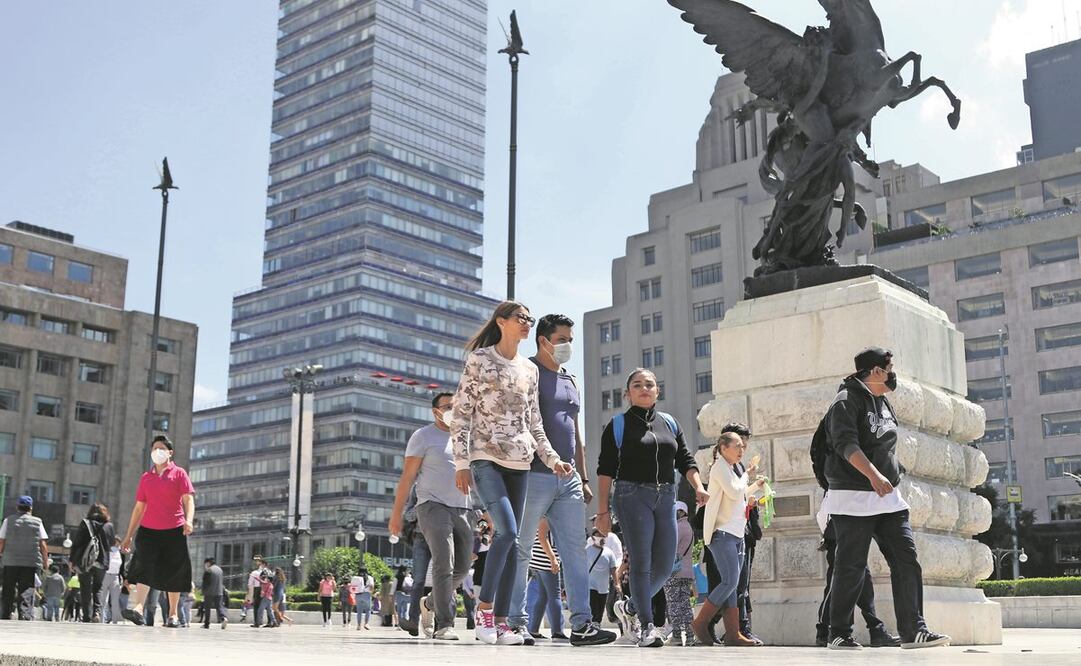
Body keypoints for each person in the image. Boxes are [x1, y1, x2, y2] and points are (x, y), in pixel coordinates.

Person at [449, 301, 575, 646]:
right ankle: (485, 610)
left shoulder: (528, 369)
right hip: (485, 457)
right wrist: (462, 463)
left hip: (520, 462)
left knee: (516, 539)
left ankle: (502, 623)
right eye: (520, 318)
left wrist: (551, 459)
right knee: (505, 532)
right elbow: (460, 414)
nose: (526, 323)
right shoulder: (480, 359)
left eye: (528, 320)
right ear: (501, 321)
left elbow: (534, 422)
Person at [819, 348, 950, 650]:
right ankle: (838, 633)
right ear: (876, 371)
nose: (894, 374)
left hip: (887, 498)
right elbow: (845, 444)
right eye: (890, 368)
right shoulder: (846, 400)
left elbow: (885, 444)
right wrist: (873, 475)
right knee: (850, 567)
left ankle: (914, 630)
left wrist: (892, 473)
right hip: (853, 496)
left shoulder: (883, 402)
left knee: (907, 560)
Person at [507, 314, 617, 647]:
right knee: (521, 548)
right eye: (562, 339)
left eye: (571, 339)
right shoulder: (526, 373)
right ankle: (515, 623)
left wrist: (583, 477)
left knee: (574, 553)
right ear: (543, 340)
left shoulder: (571, 379)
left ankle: (582, 625)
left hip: (568, 479)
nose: (568, 345)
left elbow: (576, 433)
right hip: (533, 475)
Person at [596, 368, 708, 648]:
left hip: (666, 496)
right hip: (631, 494)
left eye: (649, 385)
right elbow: (606, 470)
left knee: (667, 562)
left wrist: (698, 486)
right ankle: (647, 627)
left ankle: (631, 607)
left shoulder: (669, 423)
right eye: (637, 385)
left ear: (657, 391)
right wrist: (602, 511)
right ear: (628, 393)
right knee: (642, 562)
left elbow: (685, 458)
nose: (644, 388)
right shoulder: (618, 425)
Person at [388, 392, 473, 641]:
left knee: (463, 567)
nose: (453, 410)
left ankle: (429, 603)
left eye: (456, 406)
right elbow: (407, 478)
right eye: (448, 406)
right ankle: (445, 624)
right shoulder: (423, 436)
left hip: (464, 508)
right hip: (432, 506)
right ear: (435, 411)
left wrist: (485, 513)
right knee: (443, 563)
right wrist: (396, 515)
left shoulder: (464, 437)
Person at [692, 432, 765, 647]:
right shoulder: (719, 468)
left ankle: (733, 634)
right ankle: (700, 622)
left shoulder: (733, 469)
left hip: (737, 534)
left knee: (733, 585)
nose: (742, 450)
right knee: (730, 581)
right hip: (721, 533)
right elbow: (734, 492)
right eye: (737, 446)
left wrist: (755, 486)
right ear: (723, 448)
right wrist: (748, 475)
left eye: (743, 446)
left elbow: (739, 495)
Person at [120, 435, 196, 628]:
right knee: (144, 567)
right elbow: (138, 508)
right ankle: (138, 609)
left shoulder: (179, 473)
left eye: (161, 448)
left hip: (174, 529)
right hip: (148, 530)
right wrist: (128, 536)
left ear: (170, 452)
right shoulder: (146, 478)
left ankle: (173, 615)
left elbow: (188, 499)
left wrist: (188, 520)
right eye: (154, 448)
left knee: (174, 572)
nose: (157, 452)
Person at [0, 495, 50, 620]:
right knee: (27, 589)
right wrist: (45, 562)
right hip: (30, 562)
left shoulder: (8, 520)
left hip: (10, 561)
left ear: (17, 507)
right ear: (30, 508)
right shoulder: (38, 522)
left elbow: (1, 541)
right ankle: (25, 615)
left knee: (8, 588)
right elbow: (43, 544)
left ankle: (6, 614)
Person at [70, 502, 114, 623]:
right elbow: (111, 543)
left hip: (85, 561)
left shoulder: (85, 523)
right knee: (98, 588)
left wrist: (72, 560)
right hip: (102, 561)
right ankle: (97, 613)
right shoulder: (109, 526)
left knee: (85, 588)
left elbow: (77, 543)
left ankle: (86, 616)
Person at [663, 501, 696, 646]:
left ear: (681, 512)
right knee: (685, 604)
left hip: (674, 572)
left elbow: (669, 548)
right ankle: (690, 635)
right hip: (687, 572)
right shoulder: (688, 527)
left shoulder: (677, 527)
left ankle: (676, 636)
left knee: (673, 604)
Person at [525, 518, 564, 639]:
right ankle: (557, 631)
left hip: (540, 561)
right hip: (546, 562)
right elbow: (542, 538)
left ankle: (533, 630)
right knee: (555, 596)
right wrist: (553, 559)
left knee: (543, 597)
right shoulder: (547, 515)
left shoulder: (544, 514)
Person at [585, 529, 618, 624]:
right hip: (591, 585)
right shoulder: (587, 550)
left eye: (603, 535)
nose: (601, 538)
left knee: (601, 609)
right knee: (593, 607)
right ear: (593, 538)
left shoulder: (609, 552)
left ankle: (597, 625)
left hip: (603, 587)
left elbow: (613, 569)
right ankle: (593, 624)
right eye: (598, 535)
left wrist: (617, 583)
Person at [100, 536, 126, 623]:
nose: (117, 544)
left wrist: (123, 578)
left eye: (118, 543)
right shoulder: (106, 550)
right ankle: (101, 620)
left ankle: (115, 621)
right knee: (103, 600)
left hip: (115, 577)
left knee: (115, 601)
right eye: (116, 542)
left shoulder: (120, 553)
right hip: (105, 575)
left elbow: (122, 568)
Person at [201, 557, 228, 629]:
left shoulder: (208, 570)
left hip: (209, 592)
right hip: (219, 592)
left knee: (207, 608)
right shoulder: (220, 570)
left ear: (208, 563)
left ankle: (206, 624)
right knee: (219, 607)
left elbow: (205, 582)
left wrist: (203, 591)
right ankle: (223, 618)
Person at [246, 556, 270, 627]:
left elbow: (250, 584)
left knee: (256, 606)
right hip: (268, 588)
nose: (256, 562)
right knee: (267, 606)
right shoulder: (268, 571)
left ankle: (257, 622)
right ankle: (270, 621)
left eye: (258, 561)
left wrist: (249, 594)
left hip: (258, 589)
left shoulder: (254, 573)